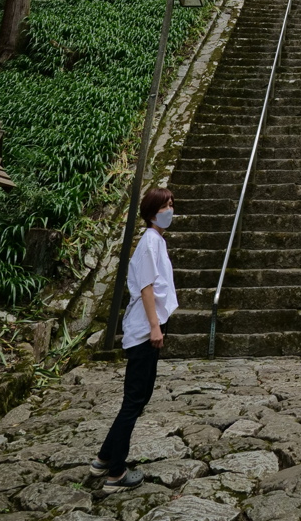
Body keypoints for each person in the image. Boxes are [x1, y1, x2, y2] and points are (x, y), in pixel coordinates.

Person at [91, 187, 178, 489]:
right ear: (154, 212)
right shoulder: (150, 243)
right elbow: (146, 288)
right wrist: (155, 327)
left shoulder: (155, 241)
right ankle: (116, 472)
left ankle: (104, 457)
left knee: (136, 399)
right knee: (134, 401)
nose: (171, 210)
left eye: (171, 205)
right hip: (144, 331)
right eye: (167, 205)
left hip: (146, 328)